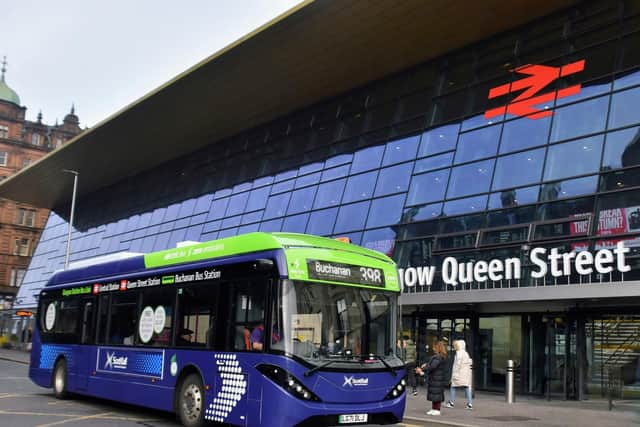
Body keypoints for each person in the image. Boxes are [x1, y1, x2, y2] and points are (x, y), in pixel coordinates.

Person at [416, 340, 448, 416]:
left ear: (438, 348)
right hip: (436, 377)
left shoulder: (438, 357)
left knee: (436, 394)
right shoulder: (439, 357)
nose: (433, 348)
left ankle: (437, 409)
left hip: (437, 378)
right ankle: (434, 408)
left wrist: (423, 368)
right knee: (434, 394)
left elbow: (432, 366)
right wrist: (426, 364)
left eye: (434, 347)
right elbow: (432, 365)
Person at [446, 339, 473, 410]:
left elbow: (457, 365)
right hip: (465, 374)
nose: (455, 347)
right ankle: (470, 403)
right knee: (467, 387)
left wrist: (455, 374)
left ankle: (451, 402)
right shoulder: (466, 353)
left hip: (459, 373)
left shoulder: (459, 353)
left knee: (453, 387)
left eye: (456, 345)